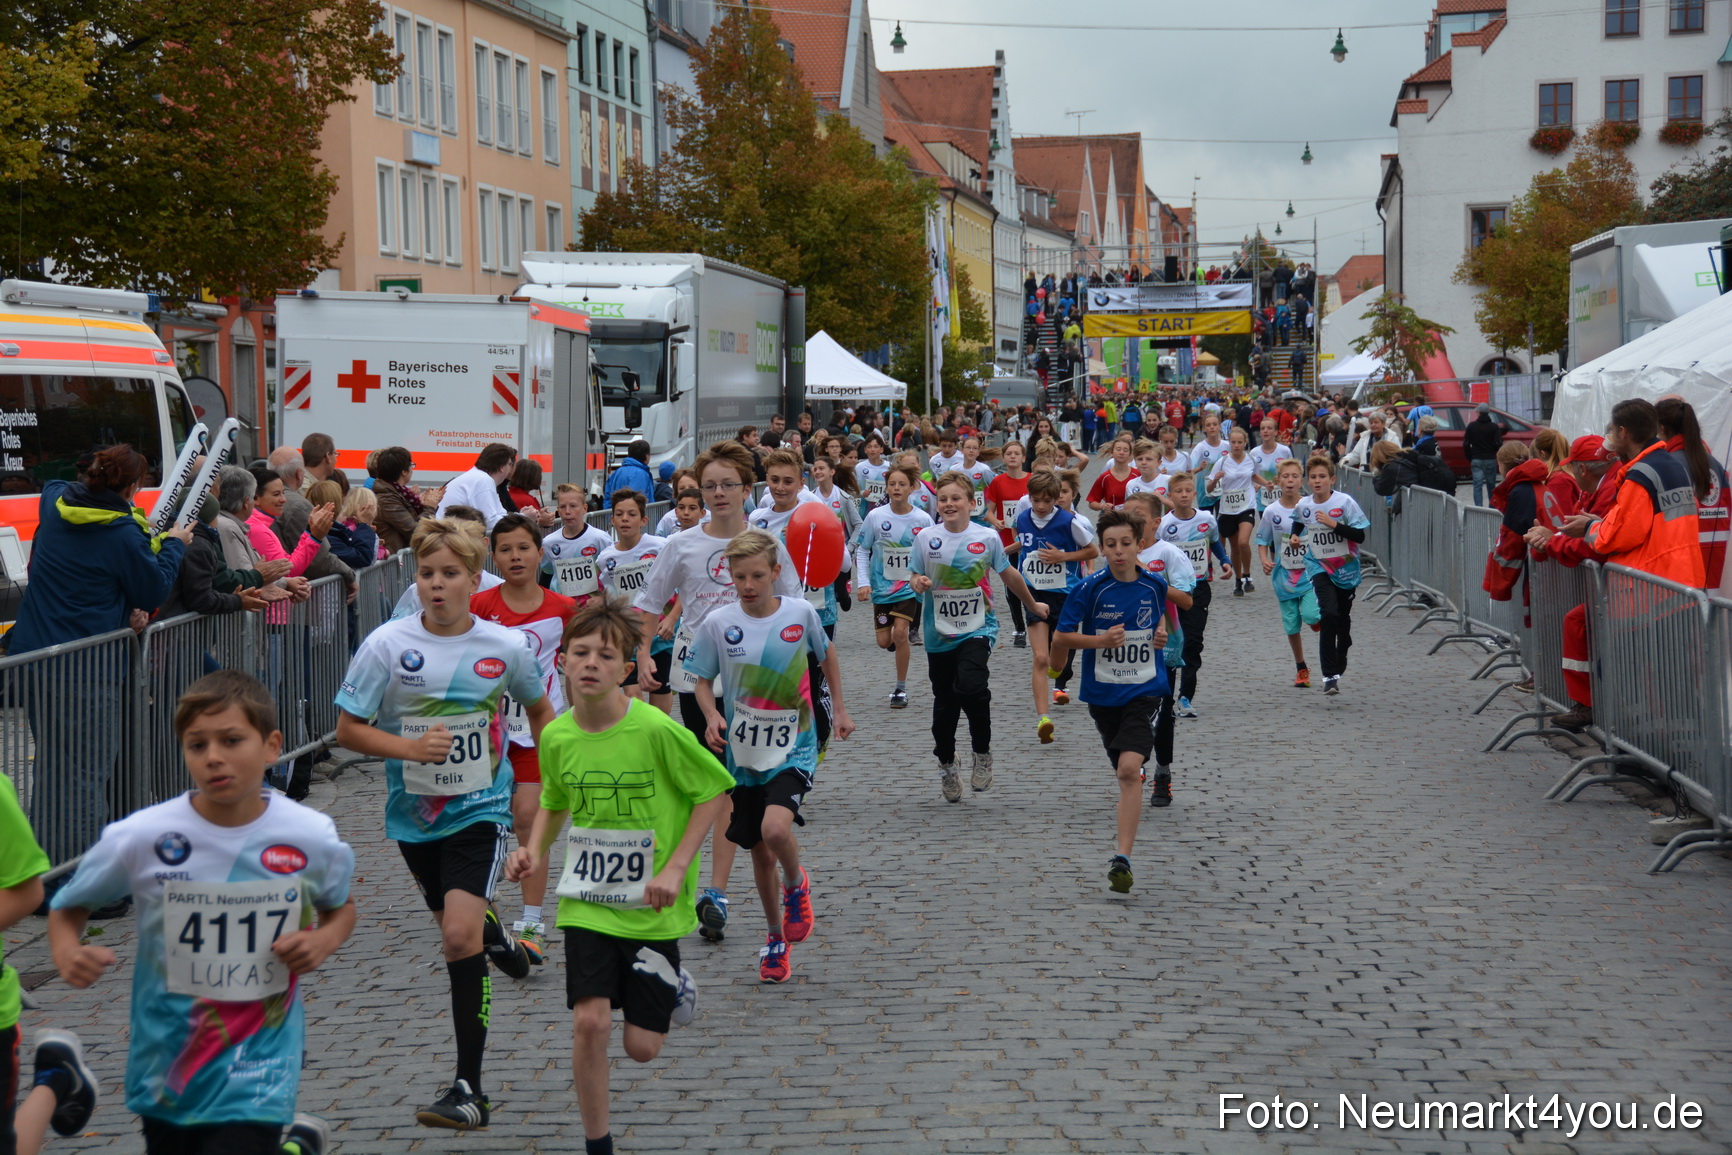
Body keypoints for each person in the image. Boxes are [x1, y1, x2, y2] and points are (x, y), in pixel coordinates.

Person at [49, 670, 354, 1154]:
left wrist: (323, 939)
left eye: (232, 740)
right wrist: (67, 950)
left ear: (272, 745)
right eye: (196, 745)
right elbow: (70, 906)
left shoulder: (310, 836)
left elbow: (340, 910)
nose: (213, 757)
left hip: (260, 1065)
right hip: (167, 1064)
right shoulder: (143, 836)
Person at [334, 518, 552, 1129]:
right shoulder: (385, 644)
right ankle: (501, 940)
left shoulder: (505, 648)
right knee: (466, 927)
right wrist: (409, 751)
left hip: (481, 810)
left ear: (472, 577)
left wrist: (562, 776)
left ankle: (468, 1088)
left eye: (449, 574)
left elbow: (541, 715)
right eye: (426, 574)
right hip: (414, 816)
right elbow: (348, 729)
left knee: (457, 938)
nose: (436, 585)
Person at [504, 603, 727, 1155]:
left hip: (653, 901)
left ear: (626, 668)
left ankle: (673, 984)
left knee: (643, 1048)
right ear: (561, 662)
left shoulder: (652, 727)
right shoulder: (556, 736)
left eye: (606, 655)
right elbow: (555, 801)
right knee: (590, 1022)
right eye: (580, 653)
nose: (591, 664)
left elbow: (713, 792)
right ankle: (598, 1144)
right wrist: (532, 849)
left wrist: (677, 868)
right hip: (589, 899)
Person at [632, 442, 805, 943]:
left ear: (747, 488)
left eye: (728, 484)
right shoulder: (680, 544)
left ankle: (725, 888)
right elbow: (649, 603)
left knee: (742, 786)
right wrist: (644, 655)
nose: (719, 493)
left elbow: (793, 607)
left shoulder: (767, 542)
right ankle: (717, 892)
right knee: (720, 780)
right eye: (709, 486)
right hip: (697, 680)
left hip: (759, 683)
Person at [9, 444, 190, 870]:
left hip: (37, 659)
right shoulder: (123, 533)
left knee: (54, 768)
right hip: (88, 670)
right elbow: (152, 589)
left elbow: (58, 481)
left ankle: (45, 873)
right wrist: (173, 545)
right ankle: (81, 882)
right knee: (86, 776)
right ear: (132, 487)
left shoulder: (55, 502)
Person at [688, 530, 854, 984]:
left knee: (774, 828)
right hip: (743, 755)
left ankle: (797, 883)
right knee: (759, 854)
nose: (748, 584)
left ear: (776, 573)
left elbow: (827, 656)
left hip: (794, 745)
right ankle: (775, 939)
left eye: (757, 575)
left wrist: (838, 709)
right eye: (739, 576)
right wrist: (708, 716)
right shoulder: (718, 623)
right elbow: (701, 679)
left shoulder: (799, 614)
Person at [472, 513, 579, 969]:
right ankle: (481, 909)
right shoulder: (478, 605)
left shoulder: (562, 607)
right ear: (493, 556)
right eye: (505, 549)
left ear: (540, 552)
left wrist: (581, 723)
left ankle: (532, 925)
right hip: (486, 732)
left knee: (529, 818)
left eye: (523, 548)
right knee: (480, 824)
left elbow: (573, 667)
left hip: (540, 728)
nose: (515, 557)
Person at [909, 472, 1047, 803]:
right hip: (938, 632)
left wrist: (1032, 605)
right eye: (943, 499)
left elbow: (1008, 574)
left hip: (977, 627)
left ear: (972, 503)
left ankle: (982, 754)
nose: (949, 504)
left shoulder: (987, 538)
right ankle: (946, 763)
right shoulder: (926, 537)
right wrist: (918, 583)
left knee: (971, 688)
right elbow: (914, 574)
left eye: (956, 498)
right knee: (944, 706)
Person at [1054, 510, 1171, 893]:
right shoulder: (1089, 589)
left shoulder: (1154, 584)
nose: (1119, 552)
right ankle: (1132, 789)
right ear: (1100, 548)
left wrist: (1161, 635)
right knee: (1123, 769)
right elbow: (1063, 637)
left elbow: (1160, 618)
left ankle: (1122, 856)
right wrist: (1100, 642)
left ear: (1139, 544)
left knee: (1127, 769)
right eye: (1110, 545)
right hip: (1102, 694)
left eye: (1126, 544)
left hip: (1146, 689)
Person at [1523, 435, 1620, 730]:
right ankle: (1589, 705)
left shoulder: (1612, 486)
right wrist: (1553, 539)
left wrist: (1552, 543)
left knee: (1578, 623)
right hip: (1626, 581)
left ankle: (1591, 707)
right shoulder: (1603, 485)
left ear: (1582, 469)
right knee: (1576, 622)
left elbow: (1595, 542)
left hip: (1632, 582)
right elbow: (1577, 528)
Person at [1014, 469, 1098, 746]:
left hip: (1065, 596)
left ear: (1055, 499)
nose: (1040, 506)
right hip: (1035, 594)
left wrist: (1063, 556)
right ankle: (1043, 719)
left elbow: (1092, 551)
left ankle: (1056, 673)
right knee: (1039, 658)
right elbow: (1025, 548)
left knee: (1056, 664)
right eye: (1035, 499)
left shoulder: (1069, 521)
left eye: (1046, 501)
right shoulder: (1023, 517)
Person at [853, 464, 934, 709]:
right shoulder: (876, 516)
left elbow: (931, 552)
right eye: (892, 484)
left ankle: (900, 688)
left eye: (902, 484)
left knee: (901, 634)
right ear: (886, 488)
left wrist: (927, 580)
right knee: (884, 641)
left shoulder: (922, 518)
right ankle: (897, 646)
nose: (896, 488)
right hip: (883, 588)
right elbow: (863, 549)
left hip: (909, 588)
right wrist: (864, 583)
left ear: (912, 488)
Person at [1295, 456, 1371, 695]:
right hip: (1319, 566)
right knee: (1328, 614)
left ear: (1332, 479)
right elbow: (1298, 523)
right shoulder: (1304, 505)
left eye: (1322, 477)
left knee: (1341, 620)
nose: (1317, 481)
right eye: (1313, 477)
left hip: (1346, 569)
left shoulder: (1344, 502)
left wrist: (1334, 525)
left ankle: (1344, 644)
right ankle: (1329, 676)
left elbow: (1360, 537)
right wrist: (1296, 537)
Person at [1156, 472, 1228, 717]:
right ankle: (1165, 698)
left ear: (1194, 493)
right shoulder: (1165, 525)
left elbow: (1215, 542)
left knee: (1193, 643)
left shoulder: (1206, 519)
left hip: (1199, 588)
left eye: (1188, 490)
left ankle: (1185, 697)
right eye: (1179, 491)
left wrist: (1225, 561)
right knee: (1171, 644)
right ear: (1170, 495)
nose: (1184, 495)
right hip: (1172, 594)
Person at [597, 489, 671, 711]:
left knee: (659, 689)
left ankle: (659, 736)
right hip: (626, 632)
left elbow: (680, 585)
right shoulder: (605, 558)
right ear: (612, 520)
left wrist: (672, 617)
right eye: (619, 514)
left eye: (631, 514)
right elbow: (606, 594)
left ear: (643, 519)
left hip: (659, 629)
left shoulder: (660, 546)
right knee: (632, 691)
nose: (625, 519)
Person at [1256, 459, 1322, 687]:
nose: (1290, 481)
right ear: (1278, 481)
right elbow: (1262, 540)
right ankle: (1301, 667)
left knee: (1312, 615)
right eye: (1286, 476)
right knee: (1292, 625)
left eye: (1295, 476)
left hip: (1311, 573)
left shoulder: (1310, 505)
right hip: (1284, 576)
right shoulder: (1271, 511)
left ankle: (1315, 620)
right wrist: (1265, 560)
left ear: (1301, 481)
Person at [1657, 396, 1730, 590]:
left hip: (1685, 564)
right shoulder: (1713, 463)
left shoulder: (1670, 464)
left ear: (1662, 429)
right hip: (1719, 562)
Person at [1206, 427, 1259, 595]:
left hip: (1246, 506)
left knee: (1244, 542)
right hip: (1228, 509)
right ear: (1229, 443)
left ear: (1245, 443)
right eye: (1233, 442)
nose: (1236, 445)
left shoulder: (1250, 459)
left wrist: (1267, 484)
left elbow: (1254, 476)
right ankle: (1238, 580)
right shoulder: (1221, 462)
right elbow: (1209, 489)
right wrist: (1215, 479)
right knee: (1235, 547)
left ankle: (1248, 575)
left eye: (1240, 442)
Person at [542, 483, 614, 605]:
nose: (567, 512)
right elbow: (547, 574)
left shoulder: (600, 539)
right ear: (558, 510)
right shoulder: (549, 542)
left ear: (584, 508)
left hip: (591, 608)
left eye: (573, 506)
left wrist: (604, 599)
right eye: (562, 507)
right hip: (561, 606)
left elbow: (613, 574)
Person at [437, 443, 519, 530]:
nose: (510, 469)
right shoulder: (483, 480)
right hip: (450, 535)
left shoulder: (479, 478)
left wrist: (520, 517)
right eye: (510, 464)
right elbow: (490, 523)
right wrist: (521, 519)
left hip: (449, 533)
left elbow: (500, 514)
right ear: (502, 467)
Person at [371, 446, 433, 554]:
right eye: (411, 465)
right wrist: (430, 508)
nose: (412, 469)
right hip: (394, 564)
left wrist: (423, 504)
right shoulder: (387, 500)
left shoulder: (399, 493)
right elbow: (416, 532)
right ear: (404, 471)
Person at [1464, 403, 1505, 506]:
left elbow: (1466, 444)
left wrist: (1470, 457)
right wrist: (1493, 452)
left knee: (1477, 485)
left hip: (1476, 458)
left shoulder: (1472, 426)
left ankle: (1479, 508)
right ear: (1488, 413)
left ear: (1478, 413)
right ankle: (1491, 508)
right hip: (1490, 458)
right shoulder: (1494, 427)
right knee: (1491, 485)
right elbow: (1498, 443)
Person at [1086, 437, 1136, 512]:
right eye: (1118, 449)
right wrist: (1102, 506)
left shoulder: (1137, 474)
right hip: (1113, 519)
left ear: (1130, 453)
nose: (1121, 453)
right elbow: (1092, 502)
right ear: (1112, 452)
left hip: (1134, 519)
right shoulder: (1105, 477)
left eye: (1125, 450)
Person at [603, 441, 655, 509]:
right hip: (633, 517)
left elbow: (607, 498)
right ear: (646, 456)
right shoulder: (641, 474)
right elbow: (637, 500)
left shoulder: (616, 472)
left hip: (615, 515)